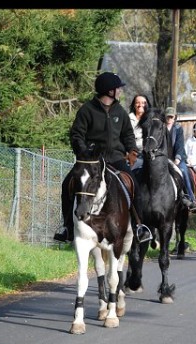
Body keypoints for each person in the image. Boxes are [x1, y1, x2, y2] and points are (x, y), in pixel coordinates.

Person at [53, 72, 151, 243]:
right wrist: (84, 153)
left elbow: (128, 134)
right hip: (90, 160)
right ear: (109, 91)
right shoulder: (86, 110)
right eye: (117, 88)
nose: (120, 90)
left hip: (116, 158)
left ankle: (138, 227)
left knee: (135, 186)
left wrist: (132, 151)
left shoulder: (120, 111)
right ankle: (67, 227)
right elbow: (77, 135)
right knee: (66, 185)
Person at [165, 106, 196, 211]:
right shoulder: (161, 127)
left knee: (184, 172)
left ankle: (190, 198)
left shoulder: (178, 128)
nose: (170, 119)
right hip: (164, 159)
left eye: (172, 117)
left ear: (175, 117)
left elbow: (180, 144)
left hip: (176, 158)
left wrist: (178, 158)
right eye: (168, 117)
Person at [128, 94, 152, 171]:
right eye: (137, 102)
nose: (140, 105)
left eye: (143, 103)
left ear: (147, 104)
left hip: (149, 154)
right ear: (134, 105)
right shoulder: (128, 119)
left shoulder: (152, 120)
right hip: (132, 154)